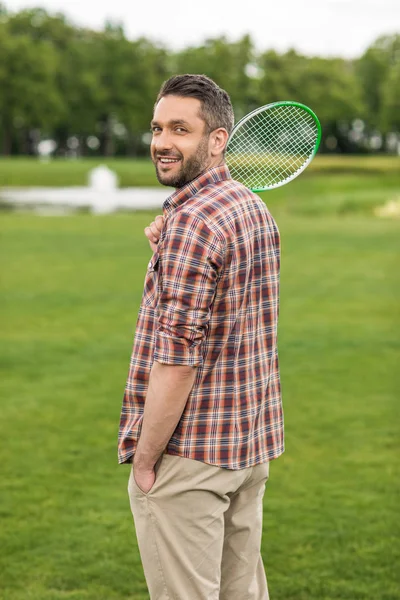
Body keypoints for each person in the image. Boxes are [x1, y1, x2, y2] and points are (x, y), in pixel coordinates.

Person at [118, 74, 284, 600]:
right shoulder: (248, 206)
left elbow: (177, 359)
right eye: (157, 127)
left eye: (180, 129)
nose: (162, 142)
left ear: (216, 140)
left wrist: (146, 461)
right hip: (246, 448)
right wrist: (166, 248)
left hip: (191, 457)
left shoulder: (194, 223)